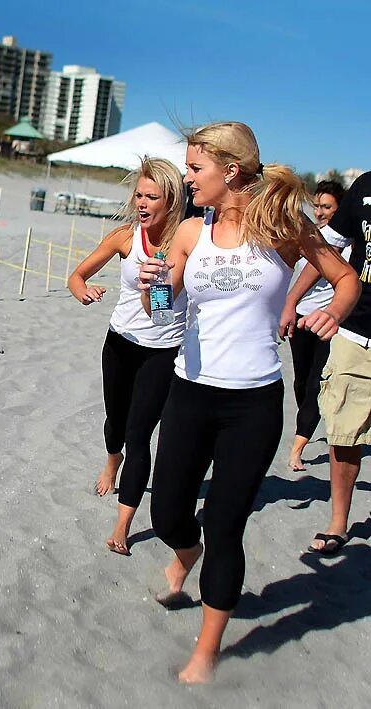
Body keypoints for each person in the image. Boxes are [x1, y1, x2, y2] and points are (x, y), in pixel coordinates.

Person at [137, 122, 358, 683]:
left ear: (229, 171)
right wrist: (152, 285)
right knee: (167, 513)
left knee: (227, 522)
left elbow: (346, 276)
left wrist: (333, 310)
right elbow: (163, 312)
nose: (187, 179)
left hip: (253, 402)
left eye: (194, 169)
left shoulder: (284, 228)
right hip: (189, 393)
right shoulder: (188, 233)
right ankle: (185, 553)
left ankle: (207, 653)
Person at [68, 156, 187, 555]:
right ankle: (110, 461)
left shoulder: (185, 246)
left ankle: (123, 524)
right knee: (115, 424)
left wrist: (151, 286)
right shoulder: (124, 238)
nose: (142, 202)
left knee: (140, 436)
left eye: (152, 196)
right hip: (119, 343)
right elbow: (77, 274)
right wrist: (82, 290)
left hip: (161, 352)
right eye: (139, 194)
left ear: (170, 200)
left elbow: (163, 310)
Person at [299, 171, 371, 555]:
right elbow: (324, 251)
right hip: (358, 333)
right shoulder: (365, 187)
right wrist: (292, 299)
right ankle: (338, 521)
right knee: (343, 433)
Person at [279, 180, 347, 471]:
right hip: (302, 317)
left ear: (340, 210)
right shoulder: (305, 236)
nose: (320, 212)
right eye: (317, 206)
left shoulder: (346, 244)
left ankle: (298, 446)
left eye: (327, 207)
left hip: (328, 323)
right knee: (301, 380)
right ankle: (308, 424)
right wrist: (290, 306)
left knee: (315, 383)